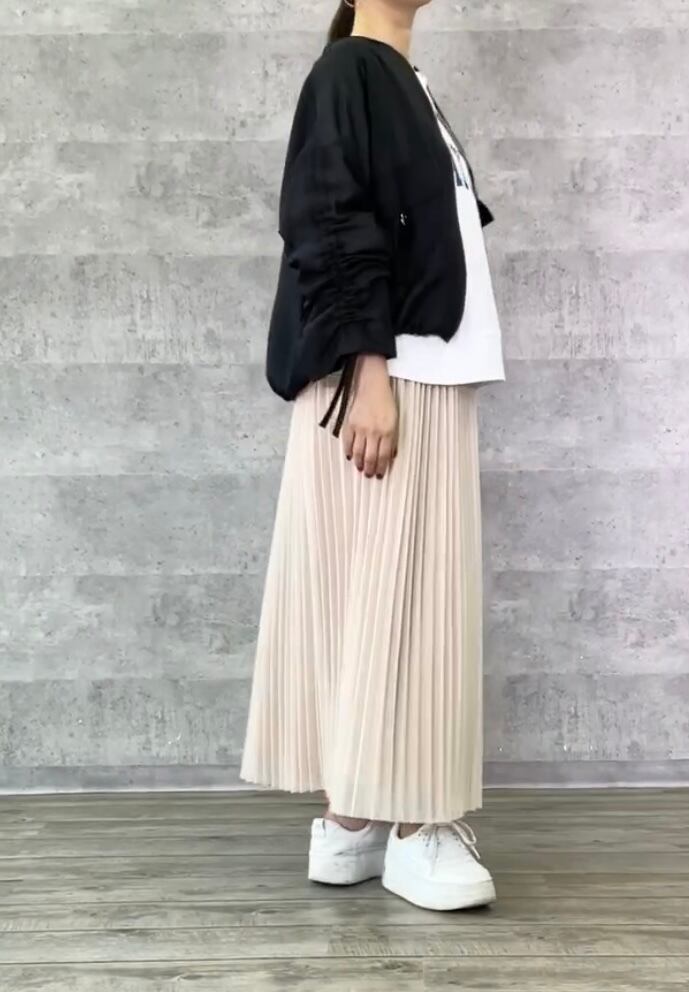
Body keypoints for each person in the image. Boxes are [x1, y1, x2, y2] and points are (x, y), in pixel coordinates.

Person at [240, 0, 505, 912]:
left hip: (415, 370)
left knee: (370, 594)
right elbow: (327, 218)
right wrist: (369, 371)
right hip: (392, 375)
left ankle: (348, 818)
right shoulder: (351, 70)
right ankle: (417, 827)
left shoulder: (398, 79)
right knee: (414, 601)